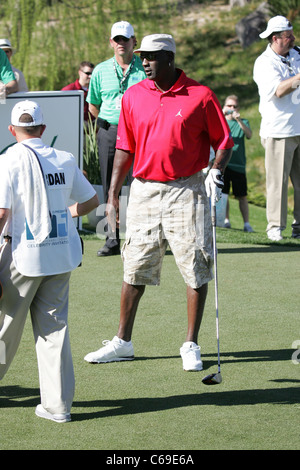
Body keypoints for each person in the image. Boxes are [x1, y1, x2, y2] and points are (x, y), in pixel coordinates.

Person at [84, 34, 233, 371]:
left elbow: (224, 141)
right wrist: (112, 194)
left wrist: (215, 171)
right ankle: (122, 342)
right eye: (143, 57)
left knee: (195, 266)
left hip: (188, 189)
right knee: (134, 264)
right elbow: (124, 146)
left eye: (151, 57)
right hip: (144, 191)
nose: (145, 62)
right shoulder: (134, 95)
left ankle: (191, 343)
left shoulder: (201, 95)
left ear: (169, 58)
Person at [0, 100, 99, 423]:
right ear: (43, 129)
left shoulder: (8, 159)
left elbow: (1, 213)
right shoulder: (65, 159)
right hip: (60, 253)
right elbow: (90, 201)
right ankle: (58, 407)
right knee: (54, 331)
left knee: (3, 330)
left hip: (21, 255)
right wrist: (67, 215)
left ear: (13, 130)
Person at [87, 21, 146, 256]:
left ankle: (138, 238)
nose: (121, 43)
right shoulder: (101, 70)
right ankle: (111, 239)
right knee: (110, 186)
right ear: (111, 42)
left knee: (138, 185)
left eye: (126, 39)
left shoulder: (144, 68)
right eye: (117, 40)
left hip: (138, 132)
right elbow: (93, 105)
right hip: (109, 131)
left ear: (134, 41)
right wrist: (111, 123)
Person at [253, 15, 300, 241]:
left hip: (299, 128)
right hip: (279, 131)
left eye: (291, 35)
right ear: (275, 38)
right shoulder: (264, 63)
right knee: (278, 184)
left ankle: (299, 226)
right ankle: (275, 229)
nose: (292, 39)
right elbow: (279, 91)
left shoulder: (297, 54)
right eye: (288, 36)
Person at [222, 94, 254, 232]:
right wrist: (221, 116)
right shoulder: (221, 121)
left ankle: (246, 223)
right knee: (223, 195)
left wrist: (239, 120)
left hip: (238, 165)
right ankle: (225, 220)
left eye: (234, 106)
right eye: (229, 106)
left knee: (242, 196)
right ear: (224, 107)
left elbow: (249, 135)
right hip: (224, 163)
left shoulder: (243, 121)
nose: (231, 109)